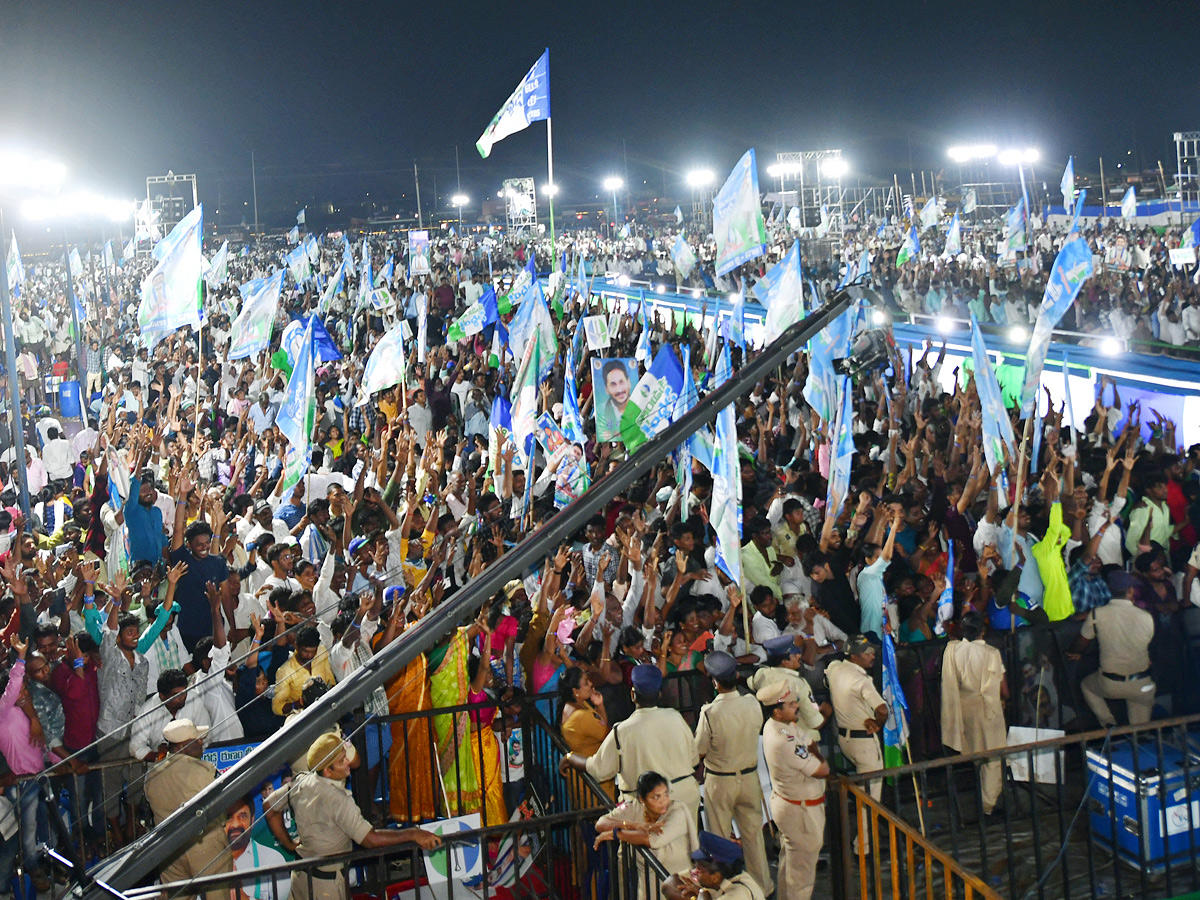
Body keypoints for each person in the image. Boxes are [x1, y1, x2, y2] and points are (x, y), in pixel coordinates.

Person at [264, 733, 441, 900]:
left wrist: (288, 844)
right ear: (327, 771)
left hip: (300, 878)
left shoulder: (301, 781)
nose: (348, 761)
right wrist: (413, 834)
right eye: (342, 761)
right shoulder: (338, 799)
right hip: (326, 887)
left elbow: (269, 807)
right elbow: (370, 839)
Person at [560, 664, 701, 823]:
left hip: (649, 808)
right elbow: (694, 760)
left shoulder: (622, 731)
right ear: (659, 694)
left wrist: (570, 757)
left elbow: (598, 769)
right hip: (685, 800)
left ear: (633, 694)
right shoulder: (675, 717)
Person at [692, 651, 771, 894]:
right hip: (749, 777)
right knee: (754, 837)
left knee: (719, 840)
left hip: (721, 780)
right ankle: (762, 889)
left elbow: (698, 751)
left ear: (714, 682)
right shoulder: (752, 703)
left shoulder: (710, 712)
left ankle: (723, 891)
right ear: (736, 676)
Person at [143, 719, 232, 900]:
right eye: (197, 740)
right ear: (183, 745)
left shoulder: (151, 775)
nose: (201, 743)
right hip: (205, 845)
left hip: (170, 851)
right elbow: (224, 800)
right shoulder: (204, 771)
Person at [757, 681, 828, 900]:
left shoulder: (779, 725)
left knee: (790, 866)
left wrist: (813, 752)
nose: (796, 706)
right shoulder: (783, 739)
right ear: (777, 711)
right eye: (790, 704)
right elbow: (822, 770)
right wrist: (820, 759)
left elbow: (809, 744)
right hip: (801, 812)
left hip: (792, 806)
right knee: (801, 877)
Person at [939, 611, 1007, 816]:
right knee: (993, 759)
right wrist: (1005, 698)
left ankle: (982, 798)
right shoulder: (991, 653)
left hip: (964, 707)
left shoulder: (952, 650)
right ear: (983, 631)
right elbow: (1004, 689)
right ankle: (988, 806)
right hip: (987, 710)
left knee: (975, 751)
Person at [1069, 570, 1156, 725]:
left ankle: (1109, 725)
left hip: (1110, 684)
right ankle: (1140, 736)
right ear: (1130, 590)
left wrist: (1076, 653)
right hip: (1142, 684)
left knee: (1086, 686)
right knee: (1140, 731)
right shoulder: (1146, 616)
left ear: (1109, 590)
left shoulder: (1097, 615)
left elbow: (1081, 642)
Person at [826, 635, 887, 853]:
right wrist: (878, 723)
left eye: (872, 651)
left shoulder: (834, 669)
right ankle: (864, 847)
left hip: (844, 739)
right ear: (854, 656)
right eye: (867, 653)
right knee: (870, 798)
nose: (872, 656)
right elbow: (882, 709)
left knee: (862, 792)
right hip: (864, 742)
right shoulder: (862, 681)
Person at [595, 770, 699, 895]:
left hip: (678, 883)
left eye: (666, 794)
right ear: (641, 799)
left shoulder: (678, 811)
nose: (663, 801)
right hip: (648, 885)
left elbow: (654, 840)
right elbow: (600, 824)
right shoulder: (634, 807)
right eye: (655, 797)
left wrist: (616, 834)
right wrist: (634, 825)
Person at [661, 830, 767, 900]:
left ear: (715, 877)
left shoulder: (738, 894)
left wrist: (702, 893)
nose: (695, 873)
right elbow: (668, 884)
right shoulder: (724, 875)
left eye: (700, 871)